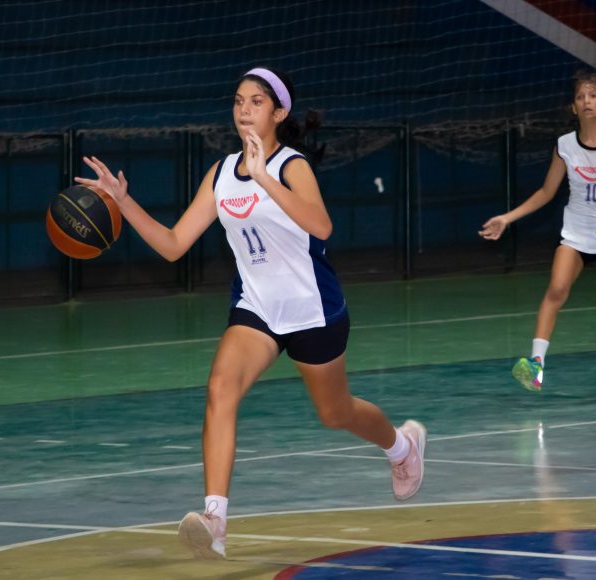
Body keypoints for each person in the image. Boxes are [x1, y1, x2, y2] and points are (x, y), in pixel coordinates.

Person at [75, 67, 427, 559]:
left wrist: (264, 176)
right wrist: (123, 201)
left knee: (335, 412)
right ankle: (215, 518)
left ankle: (402, 447)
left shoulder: (291, 165)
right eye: (239, 100)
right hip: (256, 307)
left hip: (312, 309)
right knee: (220, 388)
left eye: (256, 101)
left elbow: (322, 226)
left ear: (278, 113)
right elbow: (175, 245)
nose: (244, 109)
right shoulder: (220, 174)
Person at [479, 71, 596, 400]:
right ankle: (536, 366)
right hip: (574, 235)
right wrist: (507, 218)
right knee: (556, 290)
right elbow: (546, 192)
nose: (586, 101)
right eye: (580, 97)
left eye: (592, 96)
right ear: (574, 107)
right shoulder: (565, 145)